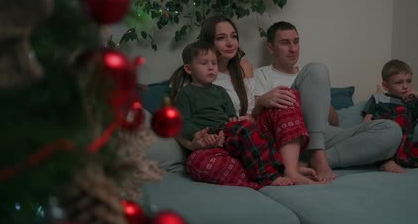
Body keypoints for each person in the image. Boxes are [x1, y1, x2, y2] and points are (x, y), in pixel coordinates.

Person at [172, 16, 321, 187]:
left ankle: (289, 170)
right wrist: (194, 143)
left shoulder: (243, 68)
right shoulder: (189, 81)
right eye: (221, 38)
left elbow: (247, 115)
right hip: (217, 143)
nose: (230, 43)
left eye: (234, 36)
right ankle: (272, 170)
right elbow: (179, 123)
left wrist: (258, 106)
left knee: (284, 96)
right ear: (209, 42)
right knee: (201, 164)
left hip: (244, 133)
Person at [253, 21, 405, 179]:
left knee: (391, 130)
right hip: (288, 138)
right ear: (270, 48)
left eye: (296, 41)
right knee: (316, 69)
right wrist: (263, 100)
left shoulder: (310, 77)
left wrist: (319, 103)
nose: (293, 49)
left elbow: (334, 122)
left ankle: (313, 161)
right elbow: (255, 121)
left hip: (320, 135)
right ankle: (317, 158)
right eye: (285, 43)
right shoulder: (261, 75)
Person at [362, 59, 418, 169]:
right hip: (381, 142)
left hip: (403, 147)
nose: (405, 86)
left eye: (409, 81)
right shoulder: (378, 98)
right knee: (402, 111)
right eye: (399, 82)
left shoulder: (414, 103)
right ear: (386, 86)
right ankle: (385, 159)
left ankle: (394, 160)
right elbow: (365, 124)